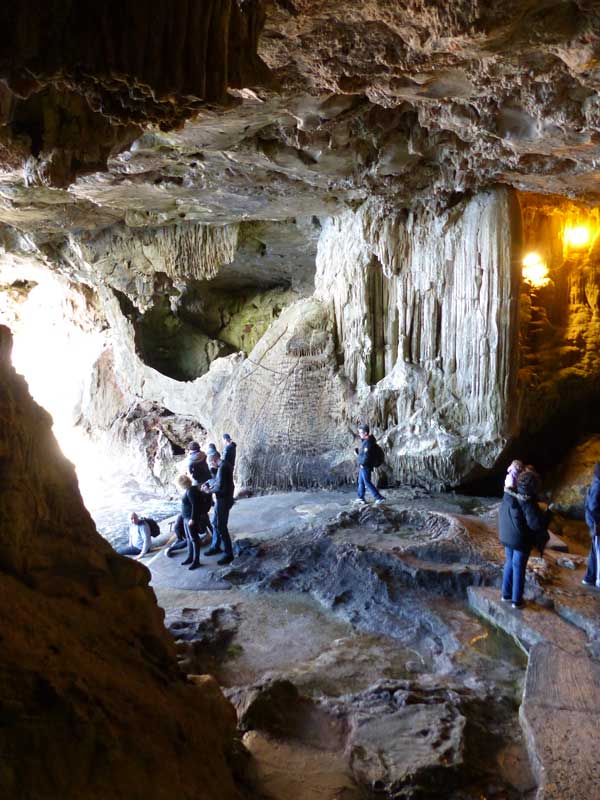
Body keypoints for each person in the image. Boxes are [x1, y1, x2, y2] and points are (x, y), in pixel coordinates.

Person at [499, 470, 550, 608]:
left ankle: (506, 595)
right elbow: (536, 524)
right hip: (520, 540)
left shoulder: (509, 493)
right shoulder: (527, 501)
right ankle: (517, 601)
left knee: (510, 563)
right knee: (519, 568)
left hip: (507, 536)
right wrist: (547, 513)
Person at [202, 451, 234, 565]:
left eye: (210, 463)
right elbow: (219, 481)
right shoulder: (224, 465)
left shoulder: (222, 468)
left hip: (223, 500)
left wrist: (207, 490)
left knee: (221, 526)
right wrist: (209, 482)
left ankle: (228, 553)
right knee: (215, 523)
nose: (211, 465)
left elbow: (220, 487)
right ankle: (216, 546)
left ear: (214, 460)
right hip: (224, 499)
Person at [177, 474, 212, 570]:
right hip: (186, 518)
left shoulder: (191, 491)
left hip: (190, 519)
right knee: (189, 539)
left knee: (194, 539)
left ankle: (196, 560)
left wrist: (193, 519)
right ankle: (190, 557)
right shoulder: (190, 490)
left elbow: (195, 506)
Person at [354, 424, 385, 505]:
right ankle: (361, 498)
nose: (359, 434)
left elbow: (367, 457)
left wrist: (362, 463)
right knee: (361, 481)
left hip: (365, 466)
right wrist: (358, 453)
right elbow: (364, 454)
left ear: (365, 433)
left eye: (361, 432)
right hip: (363, 466)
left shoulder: (368, 443)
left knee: (367, 482)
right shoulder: (365, 441)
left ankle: (379, 497)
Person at [582, 462, 600, 588]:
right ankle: (598, 580)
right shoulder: (598, 486)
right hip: (597, 524)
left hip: (594, 523)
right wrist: (597, 523)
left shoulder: (596, 483)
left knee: (595, 551)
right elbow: (593, 507)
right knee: (598, 552)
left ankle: (589, 578)